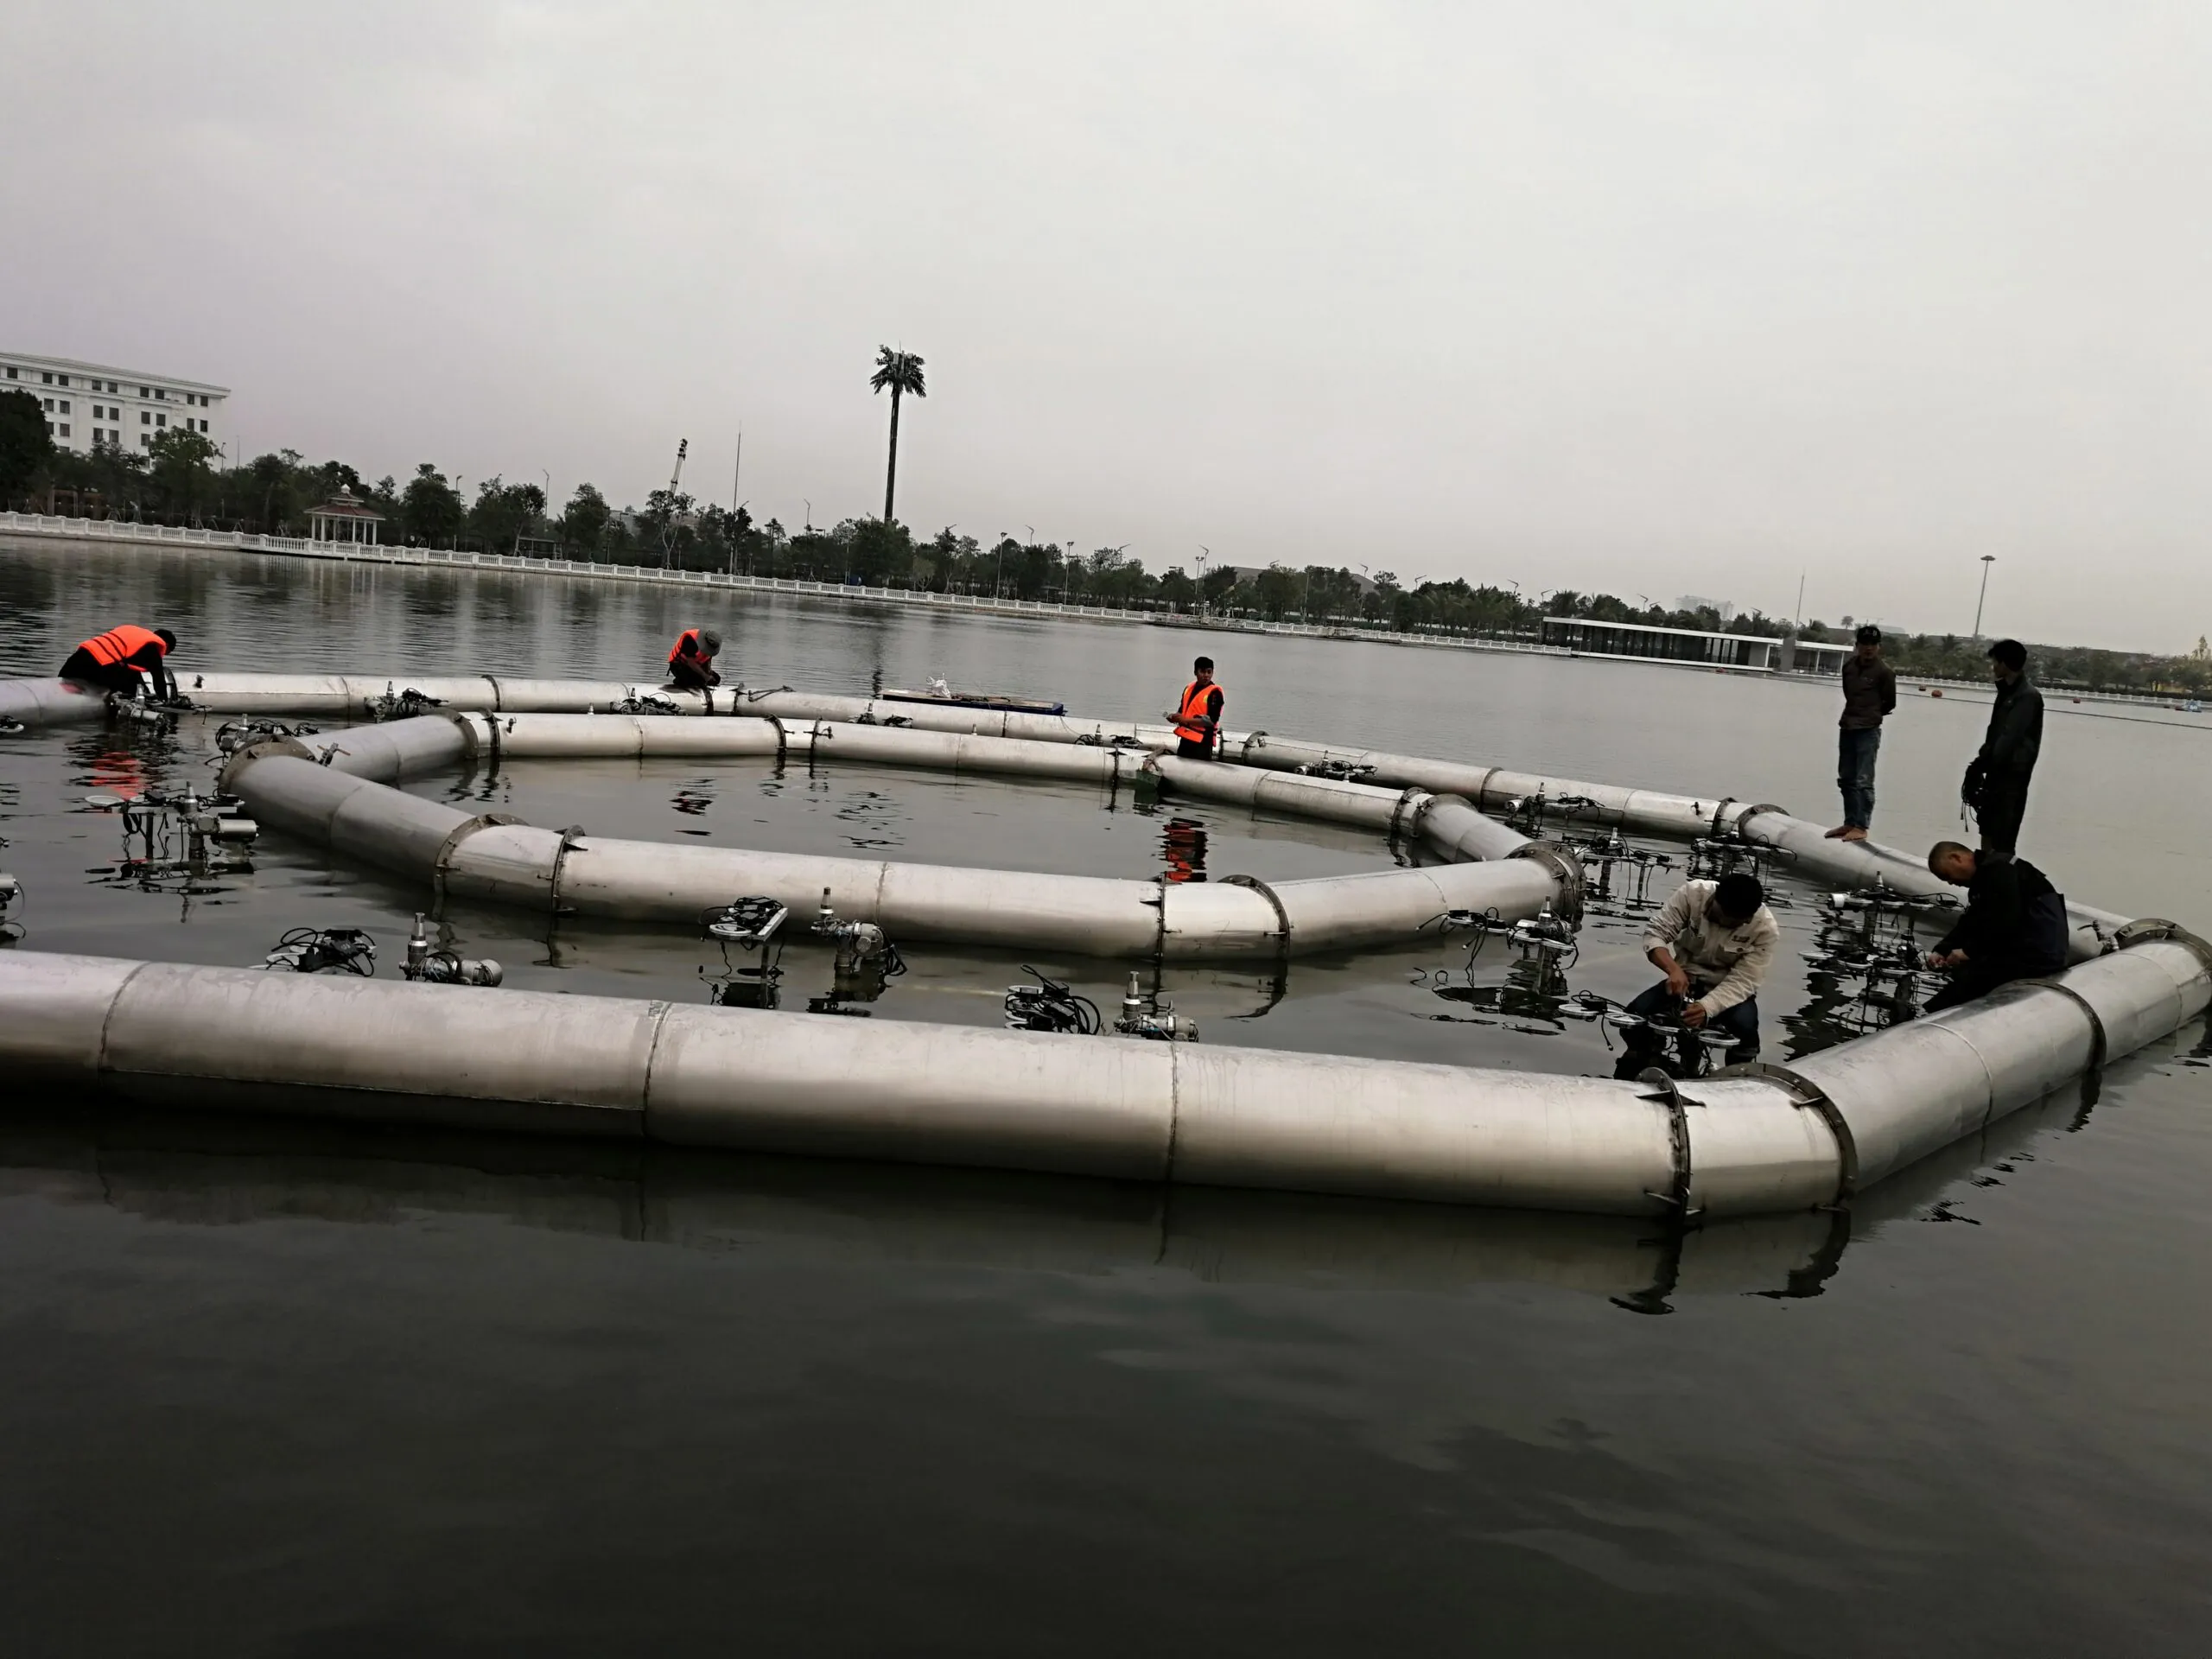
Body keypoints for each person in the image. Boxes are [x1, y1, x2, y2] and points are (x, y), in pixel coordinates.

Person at [1613, 872, 1779, 1077]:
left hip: (1728, 991)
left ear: (1748, 918)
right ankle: (1647, 1059)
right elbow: (1655, 933)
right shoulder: (1692, 894)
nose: (1723, 923)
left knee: (1746, 1031)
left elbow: (1745, 981)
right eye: (1720, 916)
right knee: (1634, 1018)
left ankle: (1737, 1075)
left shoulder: (1765, 929)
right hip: (1685, 979)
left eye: (1732, 923)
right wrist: (1673, 969)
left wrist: (1706, 1008)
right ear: (1715, 897)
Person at [1922, 840, 2069, 1012]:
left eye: (1947, 875)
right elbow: (1972, 920)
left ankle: (1932, 1015)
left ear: (1956, 858)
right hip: (2023, 948)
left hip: (2038, 955)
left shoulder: (2000, 871)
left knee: (1965, 985)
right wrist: (1943, 949)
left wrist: (1968, 952)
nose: (1950, 883)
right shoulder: (1985, 876)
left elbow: (2005, 922)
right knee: (1962, 973)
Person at [1963, 639, 2043, 862]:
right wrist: (1981, 764)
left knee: (2003, 836)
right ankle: (1986, 880)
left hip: (2012, 777)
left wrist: (1982, 763)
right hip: (1996, 774)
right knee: (1987, 829)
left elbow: (2010, 737)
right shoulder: (2006, 692)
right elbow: (1995, 734)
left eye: (1995, 662)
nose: (1993, 667)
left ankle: (2001, 881)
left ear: (2006, 663)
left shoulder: (2027, 696)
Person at [1827, 624, 1896, 842]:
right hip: (1847, 726)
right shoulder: (1849, 667)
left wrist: (1871, 715)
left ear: (1879, 647)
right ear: (1857, 645)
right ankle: (1849, 822)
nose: (1869, 648)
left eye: (1873, 645)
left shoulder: (1884, 672)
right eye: (1865, 644)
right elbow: (1849, 694)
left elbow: (1889, 703)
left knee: (1863, 780)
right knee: (1846, 778)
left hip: (1868, 730)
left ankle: (1861, 825)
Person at [59, 626, 178, 700]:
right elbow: (159, 679)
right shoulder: (153, 646)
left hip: (75, 661)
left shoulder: (132, 633)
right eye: (165, 653)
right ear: (166, 645)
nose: (161, 656)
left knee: (128, 679)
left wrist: (143, 689)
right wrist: (164, 702)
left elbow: (132, 671)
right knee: (131, 692)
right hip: (96, 666)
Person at [1165, 657, 1224, 760]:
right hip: (1186, 740)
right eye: (1202, 672)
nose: (1206, 676)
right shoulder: (1189, 689)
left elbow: (1211, 721)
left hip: (1202, 744)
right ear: (1195, 672)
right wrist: (1175, 717)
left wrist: (1185, 720)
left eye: (1209, 672)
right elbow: (1182, 711)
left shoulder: (1215, 693)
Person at [667, 627, 721, 691]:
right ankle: (680, 682)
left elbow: (708, 661)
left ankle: (697, 681)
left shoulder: (712, 646)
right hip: (679, 665)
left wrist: (708, 674)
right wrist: (705, 676)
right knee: (694, 681)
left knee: (716, 679)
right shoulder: (690, 640)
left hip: (696, 666)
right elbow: (691, 662)